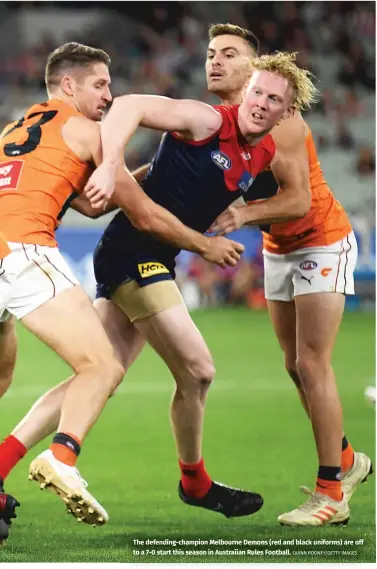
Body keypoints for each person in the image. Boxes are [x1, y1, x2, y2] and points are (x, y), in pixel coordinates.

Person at [0, 41, 246, 540]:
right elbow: (144, 214)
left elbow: (91, 205)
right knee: (102, 365)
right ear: (68, 85)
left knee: (1, 378)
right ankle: (62, 457)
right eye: (99, 84)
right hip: (21, 251)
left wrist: (141, 173)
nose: (109, 95)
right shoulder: (89, 131)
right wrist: (205, 245)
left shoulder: (17, 128)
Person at [81, 50, 313, 519]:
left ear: (286, 113)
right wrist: (110, 167)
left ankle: (17, 459)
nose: (261, 103)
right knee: (198, 369)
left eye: (274, 99)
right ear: (245, 92)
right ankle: (195, 482)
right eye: (257, 92)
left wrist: (246, 213)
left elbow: (298, 200)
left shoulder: (264, 153)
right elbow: (128, 106)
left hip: (153, 255)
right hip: (135, 252)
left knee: (97, 375)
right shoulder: (205, 118)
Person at [207, 24, 373, 526]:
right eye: (211, 52)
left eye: (228, 54)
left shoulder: (283, 123)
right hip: (279, 247)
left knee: (312, 362)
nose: (214, 60)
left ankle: (332, 496)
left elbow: (298, 200)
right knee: (292, 364)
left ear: (253, 70)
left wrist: (238, 216)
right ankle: (347, 461)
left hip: (320, 239)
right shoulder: (223, 121)